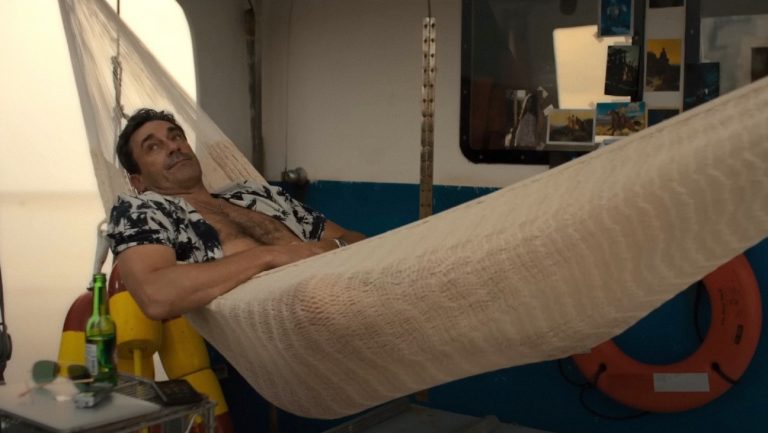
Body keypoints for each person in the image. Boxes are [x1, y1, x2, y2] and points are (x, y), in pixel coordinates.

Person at [107, 108, 365, 321]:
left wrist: (330, 247)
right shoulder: (142, 211)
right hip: (292, 322)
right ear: (138, 181)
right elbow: (155, 295)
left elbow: (356, 239)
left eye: (177, 137)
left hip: (349, 290)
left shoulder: (257, 194)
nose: (174, 146)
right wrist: (272, 255)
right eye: (153, 147)